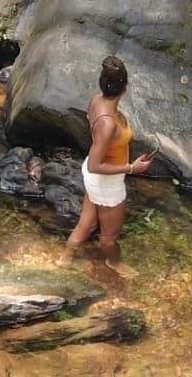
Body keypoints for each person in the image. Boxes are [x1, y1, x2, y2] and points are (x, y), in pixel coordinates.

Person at [65, 55, 152, 275]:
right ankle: (114, 263)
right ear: (125, 87)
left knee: (87, 225)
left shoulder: (96, 100)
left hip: (95, 178)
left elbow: (88, 117)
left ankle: (65, 259)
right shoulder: (108, 123)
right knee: (109, 236)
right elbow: (96, 165)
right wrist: (132, 168)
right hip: (106, 182)